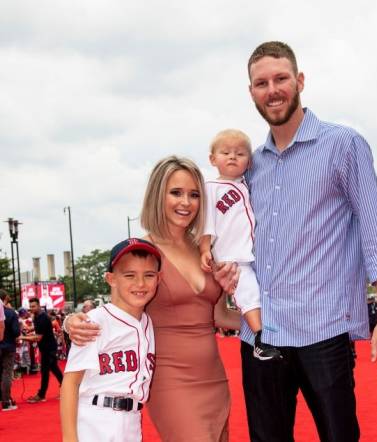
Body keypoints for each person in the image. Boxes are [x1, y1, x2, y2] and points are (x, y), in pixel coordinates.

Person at [235, 41, 377, 442]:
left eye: (280, 78)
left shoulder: (343, 145)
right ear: (251, 92)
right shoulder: (249, 165)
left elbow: (376, 232)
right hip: (261, 336)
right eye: (261, 83)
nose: (272, 90)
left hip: (323, 332)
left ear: (300, 81)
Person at [65, 156, 240, 442]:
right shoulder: (144, 251)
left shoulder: (207, 250)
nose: (186, 202)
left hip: (214, 377)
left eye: (194, 194)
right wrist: (71, 321)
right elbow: (117, 305)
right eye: (176, 192)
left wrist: (272, 322)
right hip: (170, 380)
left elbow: (219, 317)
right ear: (158, 195)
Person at [60, 238, 161, 442]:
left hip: (131, 420)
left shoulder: (148, 322)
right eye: (129, 275)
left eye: (149, 275)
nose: (140, 283)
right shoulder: (94, 322)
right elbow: (70, 383)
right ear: (111, 279)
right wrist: (69, 438)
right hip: (95, 418)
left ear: (159, 278)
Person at [200, 128, 281, 361]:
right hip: (231, 259)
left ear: (249, 161)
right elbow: (207, 222)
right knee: (249, 295)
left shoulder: (247, 184)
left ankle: (268, 334)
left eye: (240, 153)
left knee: (259, 295)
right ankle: (260, 339)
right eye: (225, 152)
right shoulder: (210, 187)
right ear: (212, 159)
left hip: (249, 255)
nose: (233, 156)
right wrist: (205, 248)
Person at [21, 297, 64, 402]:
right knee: (54, 369)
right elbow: (38, 328)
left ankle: (41, 395)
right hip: (46, 348)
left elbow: (38, 337)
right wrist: (29, 329)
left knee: (45, 371)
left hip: (49, 349)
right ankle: (67, 389)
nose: (32, 308)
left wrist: (22, 337)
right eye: (30, 306)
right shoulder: (36, 316)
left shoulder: (43, 317)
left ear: (39, 306)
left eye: (34, 306)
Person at [0, 290, 20, 411]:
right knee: (7, 374)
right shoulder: (11, 313)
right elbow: (16, 332)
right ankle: (6, 402)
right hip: (8, 347)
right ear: (5, 298)